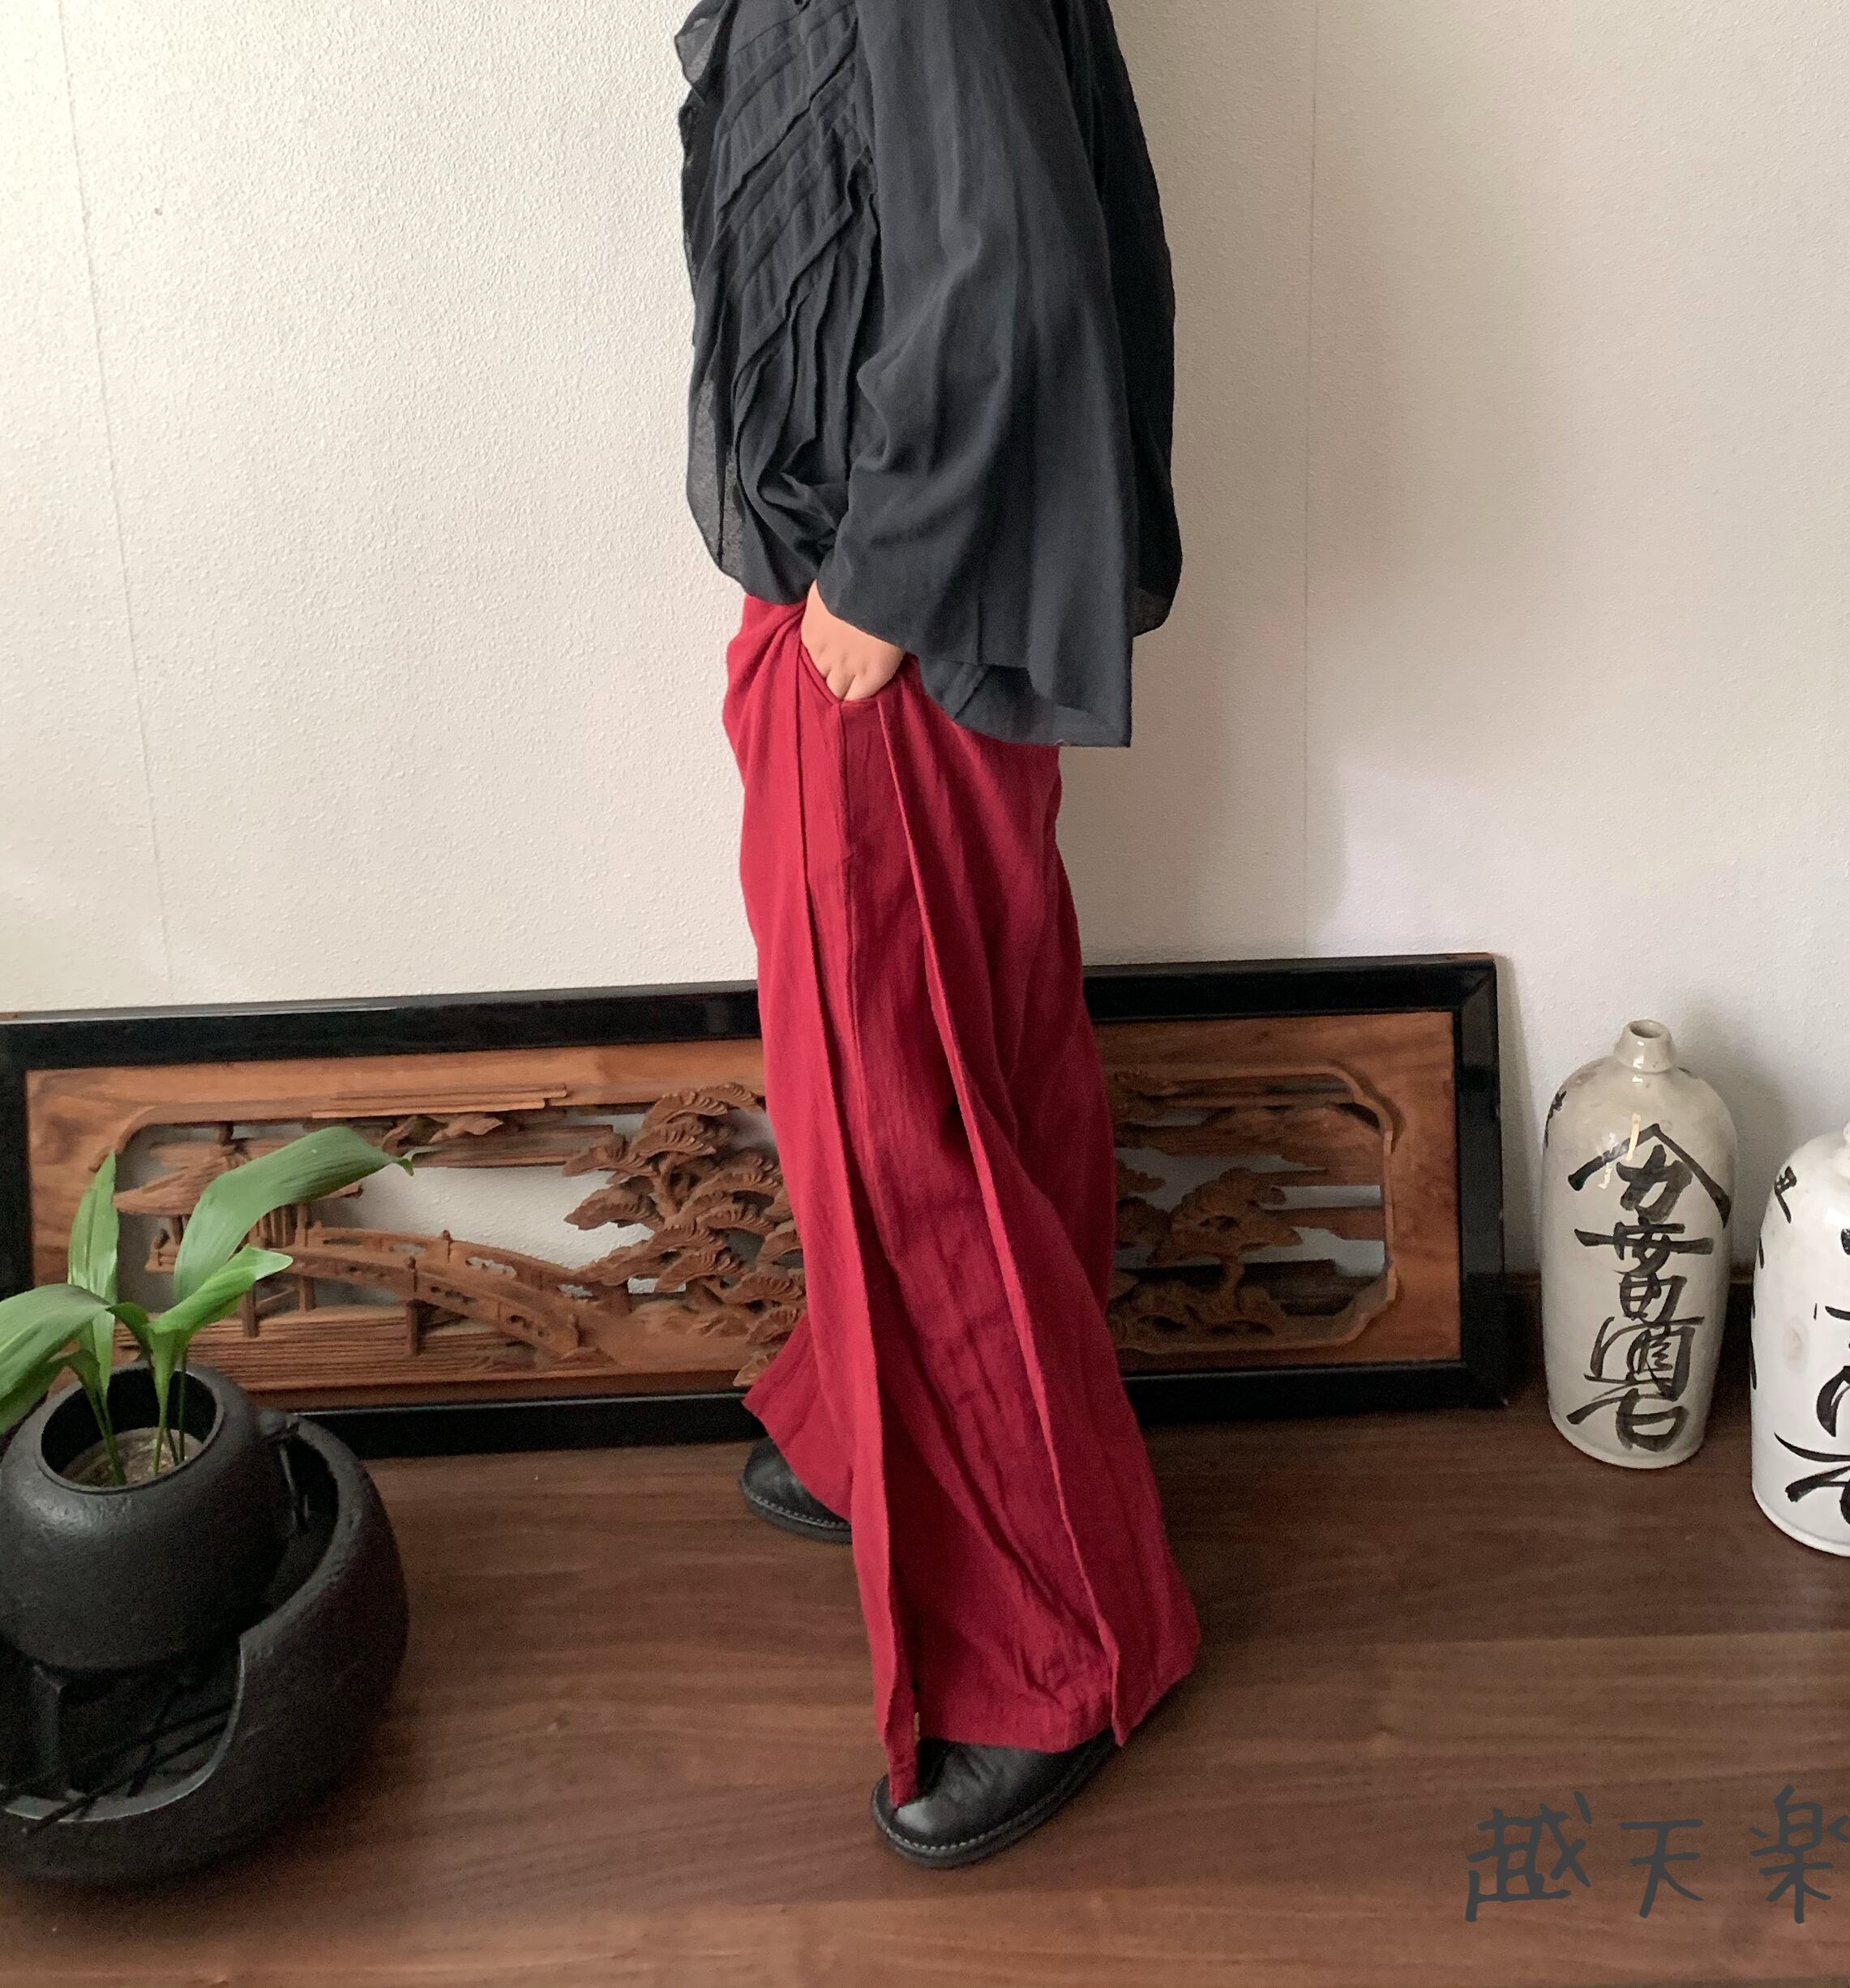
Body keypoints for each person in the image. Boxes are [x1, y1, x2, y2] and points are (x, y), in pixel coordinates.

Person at [675, 0, 1199, 1868]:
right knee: (975, 1053)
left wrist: (880, 581)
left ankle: (1055, 1643)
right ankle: (868, 1427)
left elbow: (1008, 254)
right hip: (915, 603)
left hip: (891, 618)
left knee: (894, 1115)